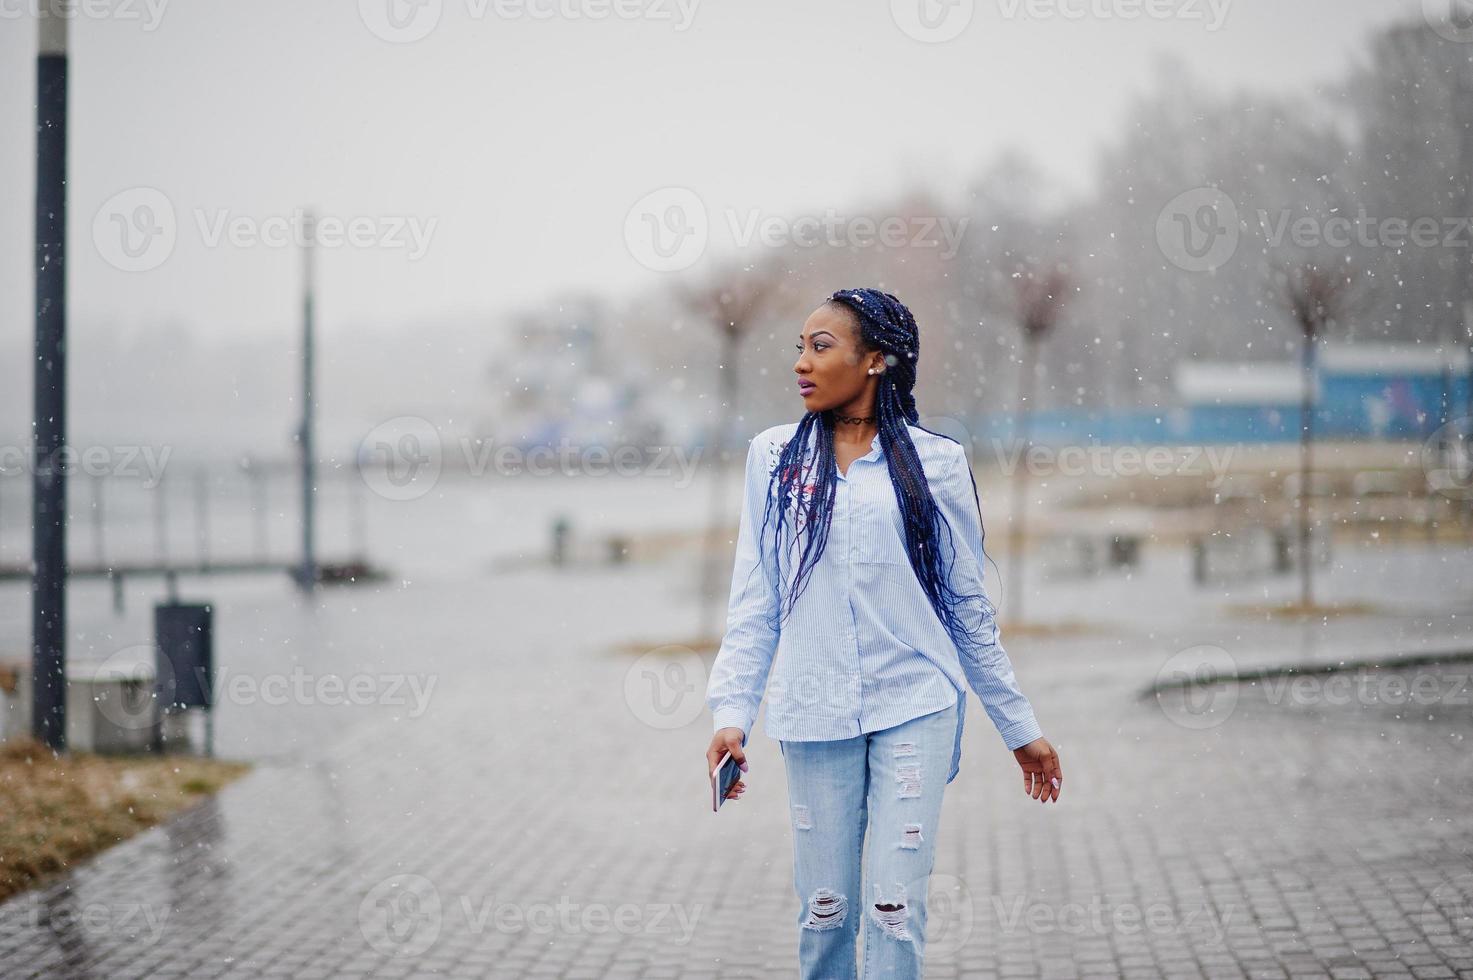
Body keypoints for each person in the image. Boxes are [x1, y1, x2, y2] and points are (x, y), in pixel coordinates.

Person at [704, 287, 1063, 979]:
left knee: (893, 910)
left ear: (874, 360)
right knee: (825, 911)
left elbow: (965, 605)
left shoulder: (936, 463)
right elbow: (756, 598)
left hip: (915, 704)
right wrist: (731, 714)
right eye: (798, 348)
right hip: (812, 711)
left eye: (820, 346)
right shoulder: (774, 458)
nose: (801, 364)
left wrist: (1018, 727)